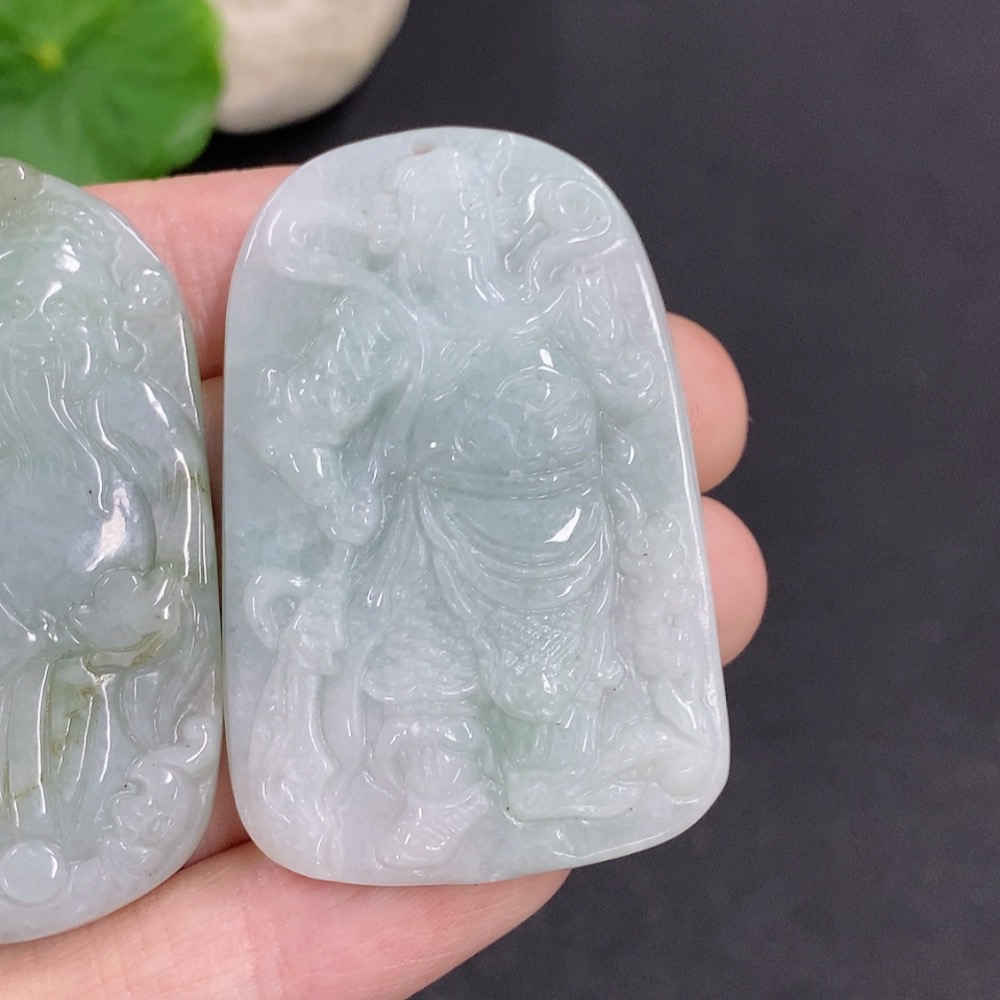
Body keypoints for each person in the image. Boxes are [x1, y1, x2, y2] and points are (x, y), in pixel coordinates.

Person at [0, 167, 766, 997]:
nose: (429, 232)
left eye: (447, 214)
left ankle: (561, 765)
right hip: (431, 529)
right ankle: (442, 793)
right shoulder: (381, 324)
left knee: (563, 684)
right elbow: (296, 428)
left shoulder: (551, 305)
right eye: (422, 216)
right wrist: (338, 502)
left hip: (565, 531)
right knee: (421, 674)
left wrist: (605, 362)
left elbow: (628, 401)